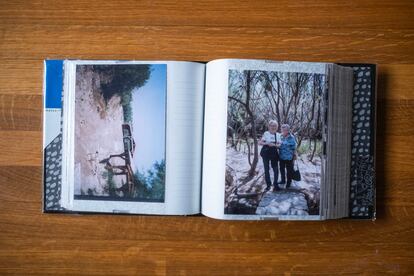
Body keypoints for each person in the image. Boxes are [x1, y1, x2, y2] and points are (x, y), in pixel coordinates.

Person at [259, 120, 281, 191]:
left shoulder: (278, 135)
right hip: (265, 152)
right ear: (269, 126)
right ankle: (268, 185)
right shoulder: (266, 133)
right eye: (271, 126)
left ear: (277, 127)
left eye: (275, 126)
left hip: (274, 152)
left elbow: (279, 145)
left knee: (276, 169)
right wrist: (267, 144)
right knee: (266, 169)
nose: (273, 127)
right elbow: (260, 142)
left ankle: (275, 184)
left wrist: (274, 145)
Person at [278, 124, 296, 188]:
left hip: (289, 157)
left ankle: (289, 182)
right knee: (281, 169)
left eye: (285, 130)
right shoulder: (280, 136)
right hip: (281, 156)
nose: (284, 131)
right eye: (283, 130)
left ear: (288, 130)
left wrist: (294, 156)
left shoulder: (292, 137)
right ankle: (283, 180)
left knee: (289, 170)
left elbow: (294, 146)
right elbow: (278, 144)